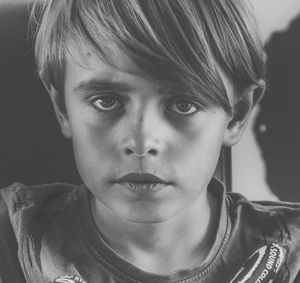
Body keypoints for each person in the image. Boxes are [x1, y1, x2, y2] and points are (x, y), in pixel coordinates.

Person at [0, 0, 299, 282]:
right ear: (63, 109)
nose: (142, 143)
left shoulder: (293, 256)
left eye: (184, 104)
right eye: (106, 101)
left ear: (236, 116)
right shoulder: (12, 241)